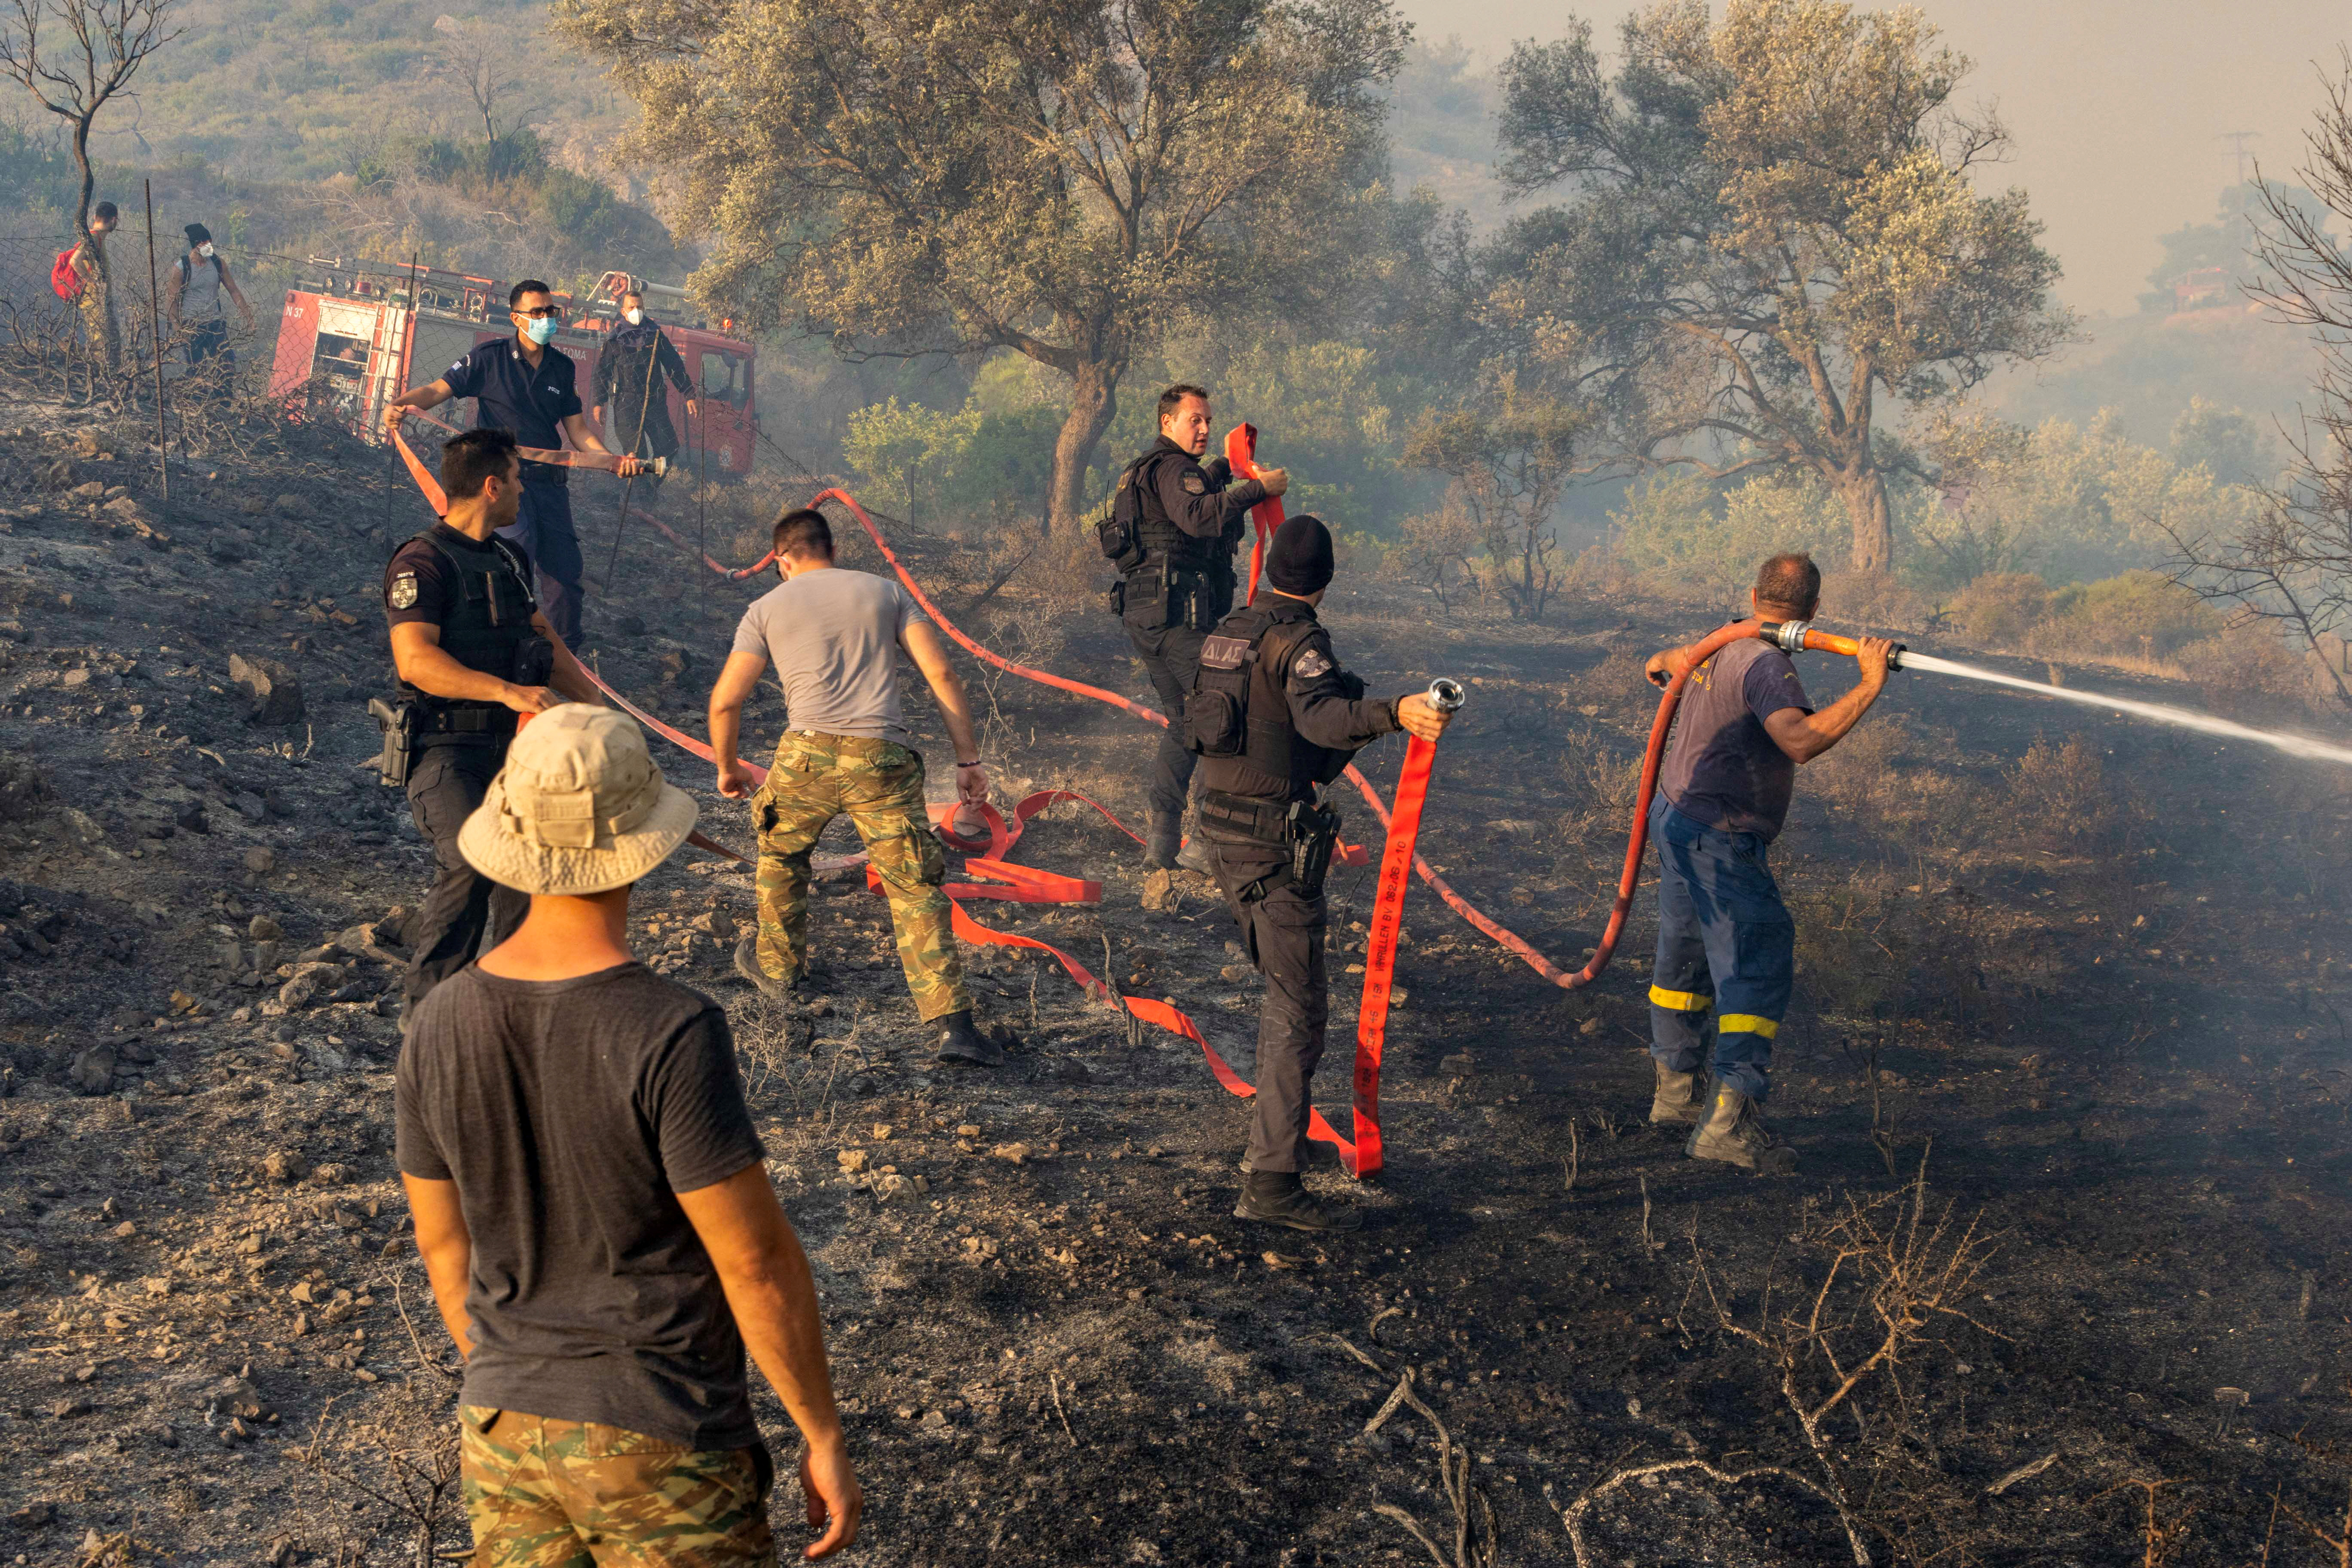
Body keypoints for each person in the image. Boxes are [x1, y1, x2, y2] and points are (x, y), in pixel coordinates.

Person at [397, 704, 860, 1562]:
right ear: (644, 848)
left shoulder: (437, 1021)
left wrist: (511, 1378)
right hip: (663, 1435)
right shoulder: (671, 1030)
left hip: (502, 1437)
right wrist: (820, 1433)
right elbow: (753, 1263)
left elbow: (442, 1245)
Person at [1191, 514, 1455, 1232]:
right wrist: (1394, 712)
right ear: (1326, 581)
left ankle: (1274, 1152)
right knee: (1298, 1009)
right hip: (1268, 848)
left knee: (1284, 990)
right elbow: (1320, 722)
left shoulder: (1228, 630)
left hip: (1218, 832)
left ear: (1269, 565)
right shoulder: (1298, 641)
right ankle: (1271, 1181)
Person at [707, 506, 1000, 1068]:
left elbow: (726, 700)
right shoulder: (886, 593)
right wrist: (968, 759)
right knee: (915, 886)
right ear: (831, 551)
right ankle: (952, 1028)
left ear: (781, 561)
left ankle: (779, 969)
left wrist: (728, 768)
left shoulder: (765, 608)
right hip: (882, 759)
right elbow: (942, 674)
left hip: (806, 759)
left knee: (782, 855)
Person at [1639, 552, 1895, 1173]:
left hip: (1677, 822)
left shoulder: (1721, 642)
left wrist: (1673, 662)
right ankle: (1727, 1127)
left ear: (1754, 596)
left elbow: (1659, 663)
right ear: (1812, 611)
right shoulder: (1765, 665)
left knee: (1685, 958)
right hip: (1720, 839)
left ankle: (1676, 1099)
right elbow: (1800, 742)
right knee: (1756, 964)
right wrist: (1869, 683)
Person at [380, 429, 607, 1028]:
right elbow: (416, 661)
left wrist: (598, 709)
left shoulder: (508, 559)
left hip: (515, 753)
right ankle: (426, 1018)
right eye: (516, 478)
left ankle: (509, 1012)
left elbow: (545, 640)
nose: (521, 490)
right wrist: (508, 691)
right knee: (471, 860)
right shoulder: (421, 561)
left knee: (529, 877)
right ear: (491, 486)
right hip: (446, 751)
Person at [381, 279, 644, 649]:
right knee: (512, 565)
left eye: (550, 312)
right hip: (502, 484)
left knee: (565, 576)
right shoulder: (487, 359)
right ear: (516, 318)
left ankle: (561, 656)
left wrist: (613, 461)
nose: (546, 319)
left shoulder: (562, 368)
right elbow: (437, 391)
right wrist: (400, 404)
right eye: (536, 312)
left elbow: (579, 431)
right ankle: (506, 648)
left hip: (550, 486)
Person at [1101, 383, 1288, 872]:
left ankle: (1161, 847)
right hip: (1178, 617)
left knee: (1185, 723)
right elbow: (1200, 517)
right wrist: (1257, 491)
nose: (1204, 428)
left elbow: (1188, 505)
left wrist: (1226, 469)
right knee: (1224, 715)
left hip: (1149, 615)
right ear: (1167, 423)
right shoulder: (1173, 468)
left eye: (1208, 421)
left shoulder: (1145, 471)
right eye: (1194, 420)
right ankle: (1209, 841)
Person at [592, 288, 700, 505]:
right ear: (624, 311)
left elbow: (674, 365)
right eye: (631, 307)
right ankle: (640, 502)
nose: (636, 311)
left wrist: (689, 393)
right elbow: (601, 372)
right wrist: (599, 403)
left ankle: (651, 487)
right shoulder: (614, 340)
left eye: (640, 307)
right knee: (636, 456)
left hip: (655, 403)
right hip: (626, 405)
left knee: (670, 448)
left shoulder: (656, 335)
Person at [163, 223, 255, 376]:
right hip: (191, 325)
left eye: (210, 242)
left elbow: (234, 291)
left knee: (226, 366)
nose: (209, 246)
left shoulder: (218, 264)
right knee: (197, 371)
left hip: (215, 324)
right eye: (206, 243)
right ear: (197, 245)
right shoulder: (182, 268)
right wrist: (178, 328)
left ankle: (224, 399)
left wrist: (249, 318)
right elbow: (171, 299)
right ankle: (197, 398)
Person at [68, 202, 119, 371]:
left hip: (98, 299)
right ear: (114, 220)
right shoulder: (93, 238)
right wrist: (94, 283)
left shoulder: (96, 238)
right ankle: (99, 377)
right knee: (100, 342)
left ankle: (107, 374)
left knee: (110, 340)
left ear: (95, 217)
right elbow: (75, 261)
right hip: (94, 300)